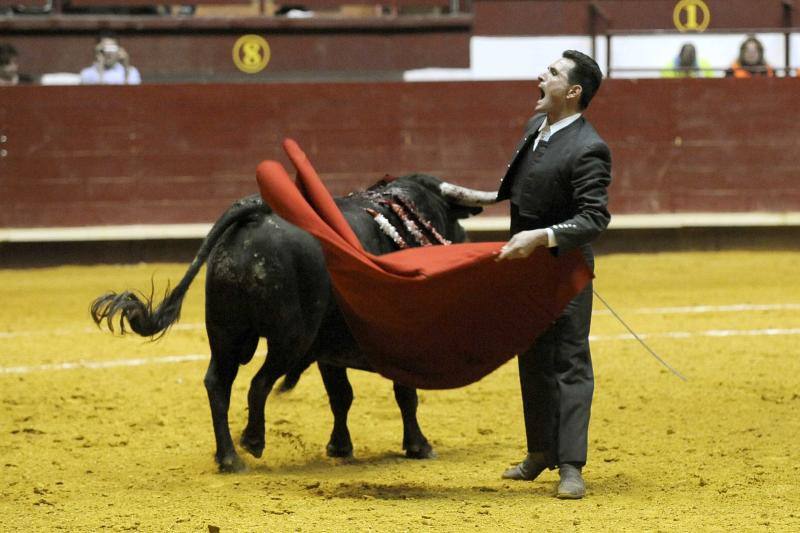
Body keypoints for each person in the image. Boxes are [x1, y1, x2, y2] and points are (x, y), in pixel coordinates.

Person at [494, 50, 611, 499]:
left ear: (574, 92)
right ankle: (540, 452)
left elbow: (594, 219)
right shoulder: (534, 130)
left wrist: (541, 237)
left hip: (564, 270)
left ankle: (571, 465)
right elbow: (519, 190)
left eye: (554, 73)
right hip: (529, 270)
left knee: (569, 362)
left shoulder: (589, 147)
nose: (541, 75)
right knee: (534, 359)